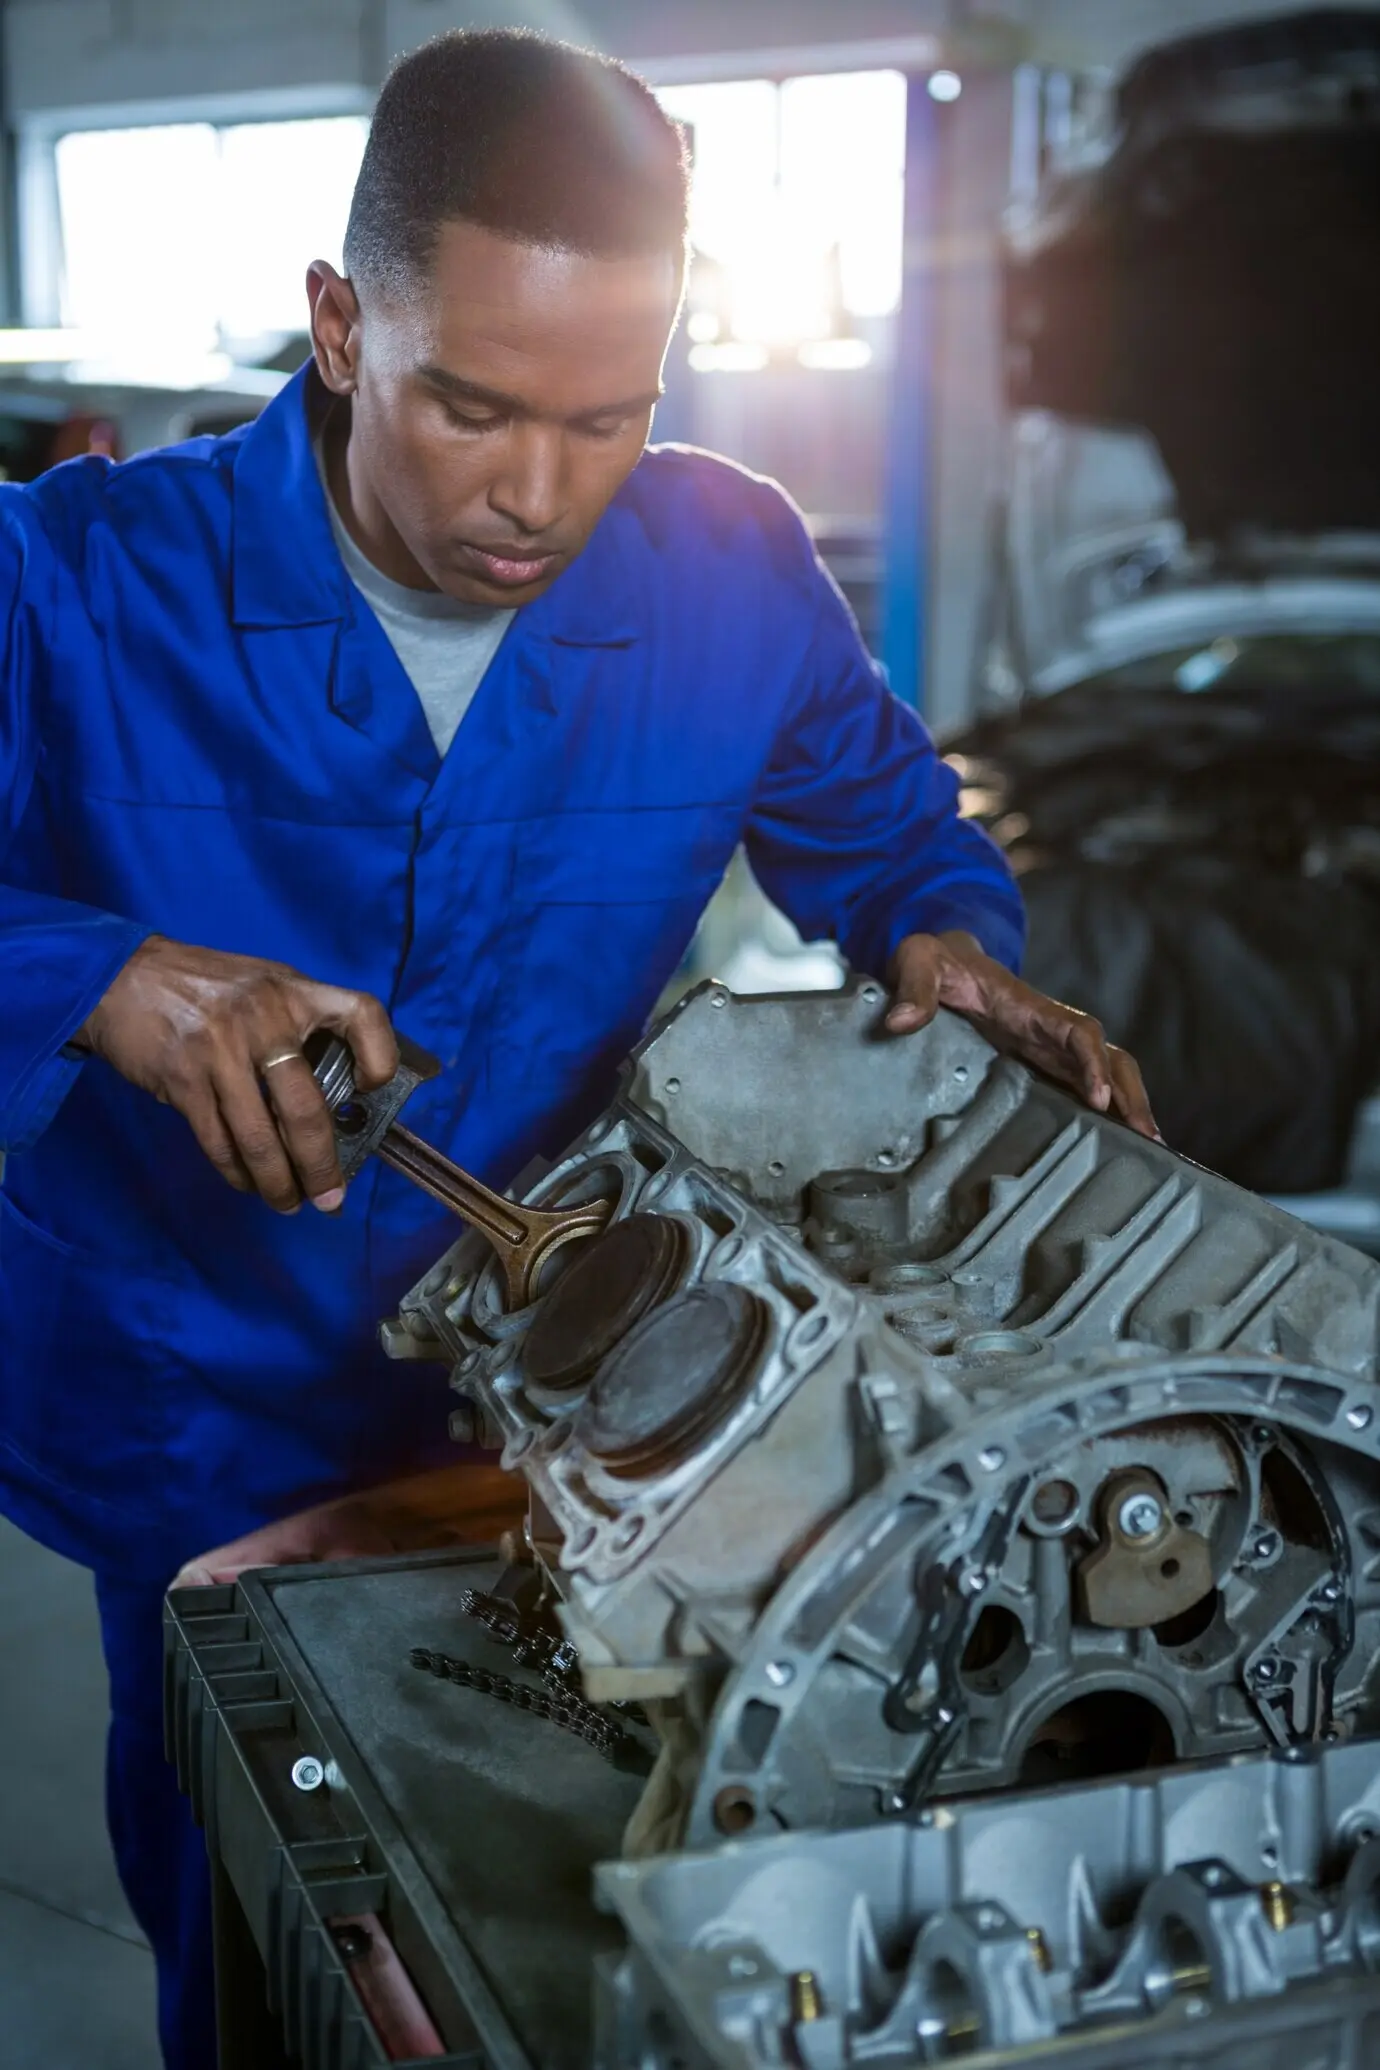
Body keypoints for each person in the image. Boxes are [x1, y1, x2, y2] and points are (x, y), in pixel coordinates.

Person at [0, 30, 1155, 2067]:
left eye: (611, 417)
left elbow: (893, 841)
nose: (536, 496)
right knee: (272, 1933)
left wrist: (951, 946)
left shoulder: (727, 569)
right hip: (212, 1412)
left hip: (598, 1394)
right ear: (343, 326)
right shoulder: (75, 585)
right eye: (470, 405)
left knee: (575, 1947)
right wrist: (106, 978)